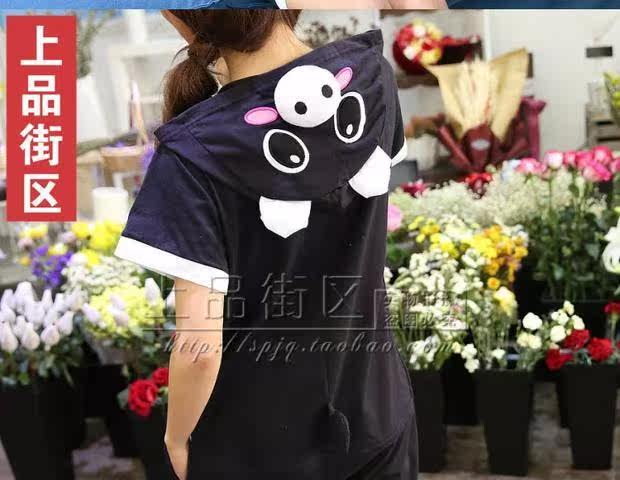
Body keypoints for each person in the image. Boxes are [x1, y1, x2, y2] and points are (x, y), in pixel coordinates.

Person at [115, 10, 416, 480]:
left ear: (179, 17)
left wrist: (175, 437)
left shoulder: (192, 154)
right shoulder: (370, 79)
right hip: (378, 410)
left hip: (258, 444)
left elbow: (199, 347)